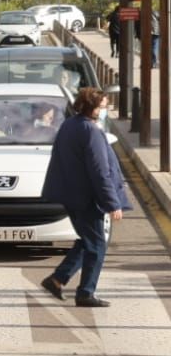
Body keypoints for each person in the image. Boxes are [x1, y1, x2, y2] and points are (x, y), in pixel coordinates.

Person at [40, 88, 128, 307]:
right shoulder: (90, 131)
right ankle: (85, 292)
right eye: (103, 106)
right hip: (86, 198)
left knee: (87, 241)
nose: (105, 110)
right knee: (97, 244)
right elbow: (100, 171)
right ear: (93, 108)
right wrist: (112, 203)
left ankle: (58, 280)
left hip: (72, 195)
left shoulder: (69, 125)